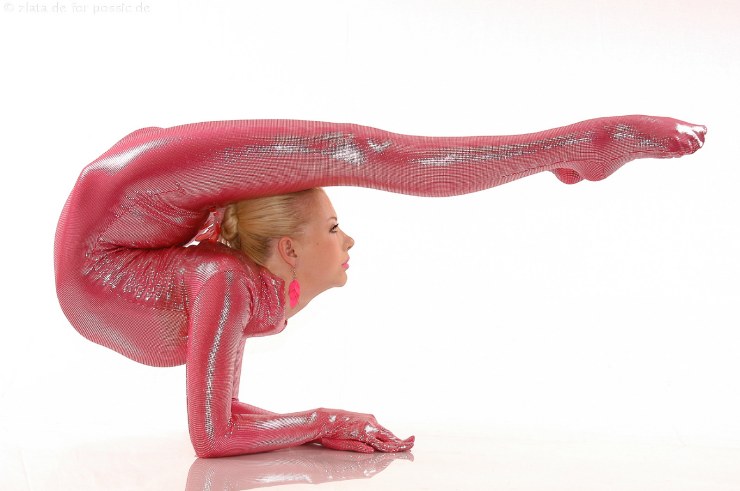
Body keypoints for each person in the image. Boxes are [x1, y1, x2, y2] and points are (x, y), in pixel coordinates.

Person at [54, 115, 706, 458]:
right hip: (114, 221)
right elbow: (215, 430)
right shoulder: (218, 277)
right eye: (333, 228)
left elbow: (215, 423)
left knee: (363, 150)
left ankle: (581, 145)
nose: (349, 242)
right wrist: (327, 421)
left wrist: (320, 424)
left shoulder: (215, 276)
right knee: (361, 149)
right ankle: (579, 146)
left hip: (120, 207)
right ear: (287, 250)